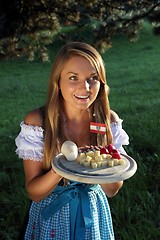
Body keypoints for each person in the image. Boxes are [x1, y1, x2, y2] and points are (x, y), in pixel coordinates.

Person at [15, 42, 129, 240]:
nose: (84, 87)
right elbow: (34, 193)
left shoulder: (108, 122)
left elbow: (112, 190)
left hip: (91, 212)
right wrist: (60, 169)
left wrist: (104, 161)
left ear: (101, 83)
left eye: (92, 78)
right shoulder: (38, 123)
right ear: (58, 81)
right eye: (73, 78)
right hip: (51, 215)